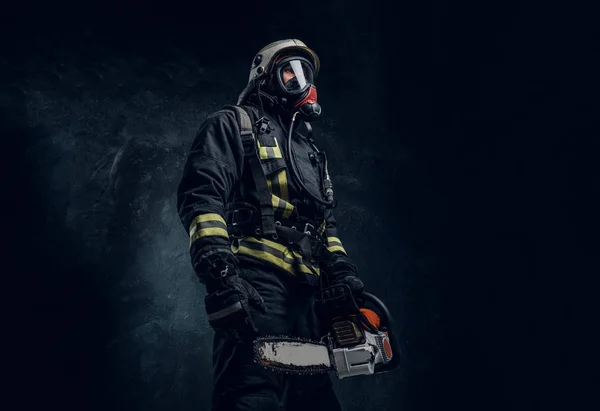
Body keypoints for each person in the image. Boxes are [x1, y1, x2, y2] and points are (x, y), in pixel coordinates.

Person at [177, 39, 365, 411]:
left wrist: (341, 274)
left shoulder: (311, 155)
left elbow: (326, 224)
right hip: (257, 285)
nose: (299, 81)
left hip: (308, 299)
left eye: (304, 74)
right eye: (289, 71)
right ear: (264, 77)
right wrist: (221, 275)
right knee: (250, 395)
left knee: (316, 402)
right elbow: (202, 196)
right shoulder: (235, 123)